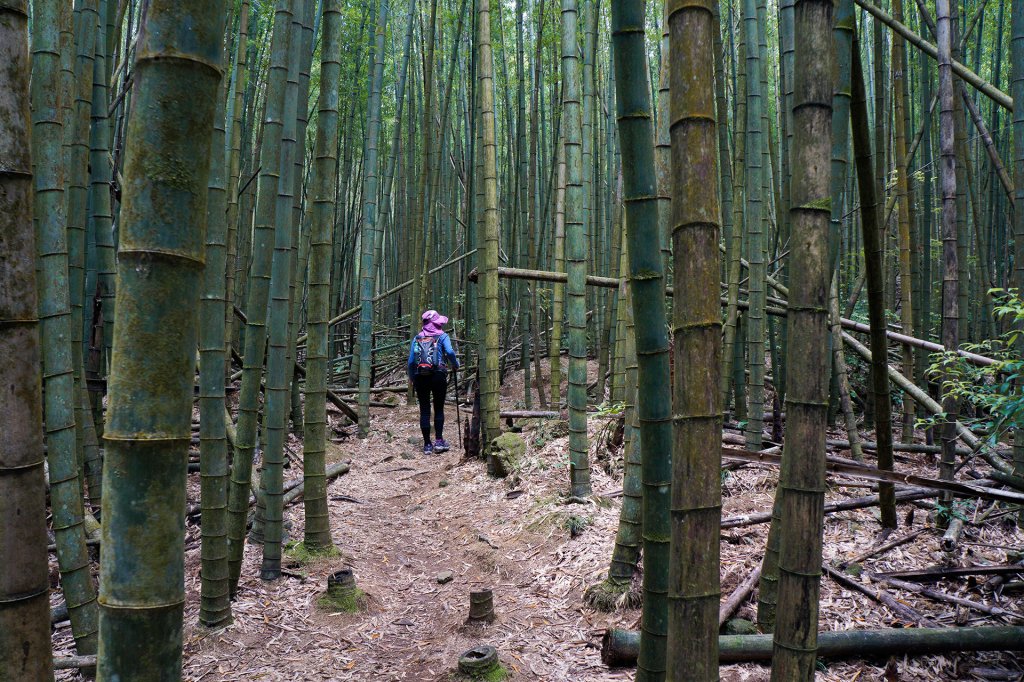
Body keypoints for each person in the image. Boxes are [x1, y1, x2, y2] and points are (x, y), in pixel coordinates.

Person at [408, 310, 459, 454]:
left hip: (420, 376)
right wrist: (455, 364)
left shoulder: (417, 338)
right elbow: (449, 352)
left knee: (424, 410)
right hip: (438, 375)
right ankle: (438, 441)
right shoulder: (442, 336)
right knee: (439, 408)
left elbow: (411, 361)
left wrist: (412, 377)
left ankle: (427, 445)